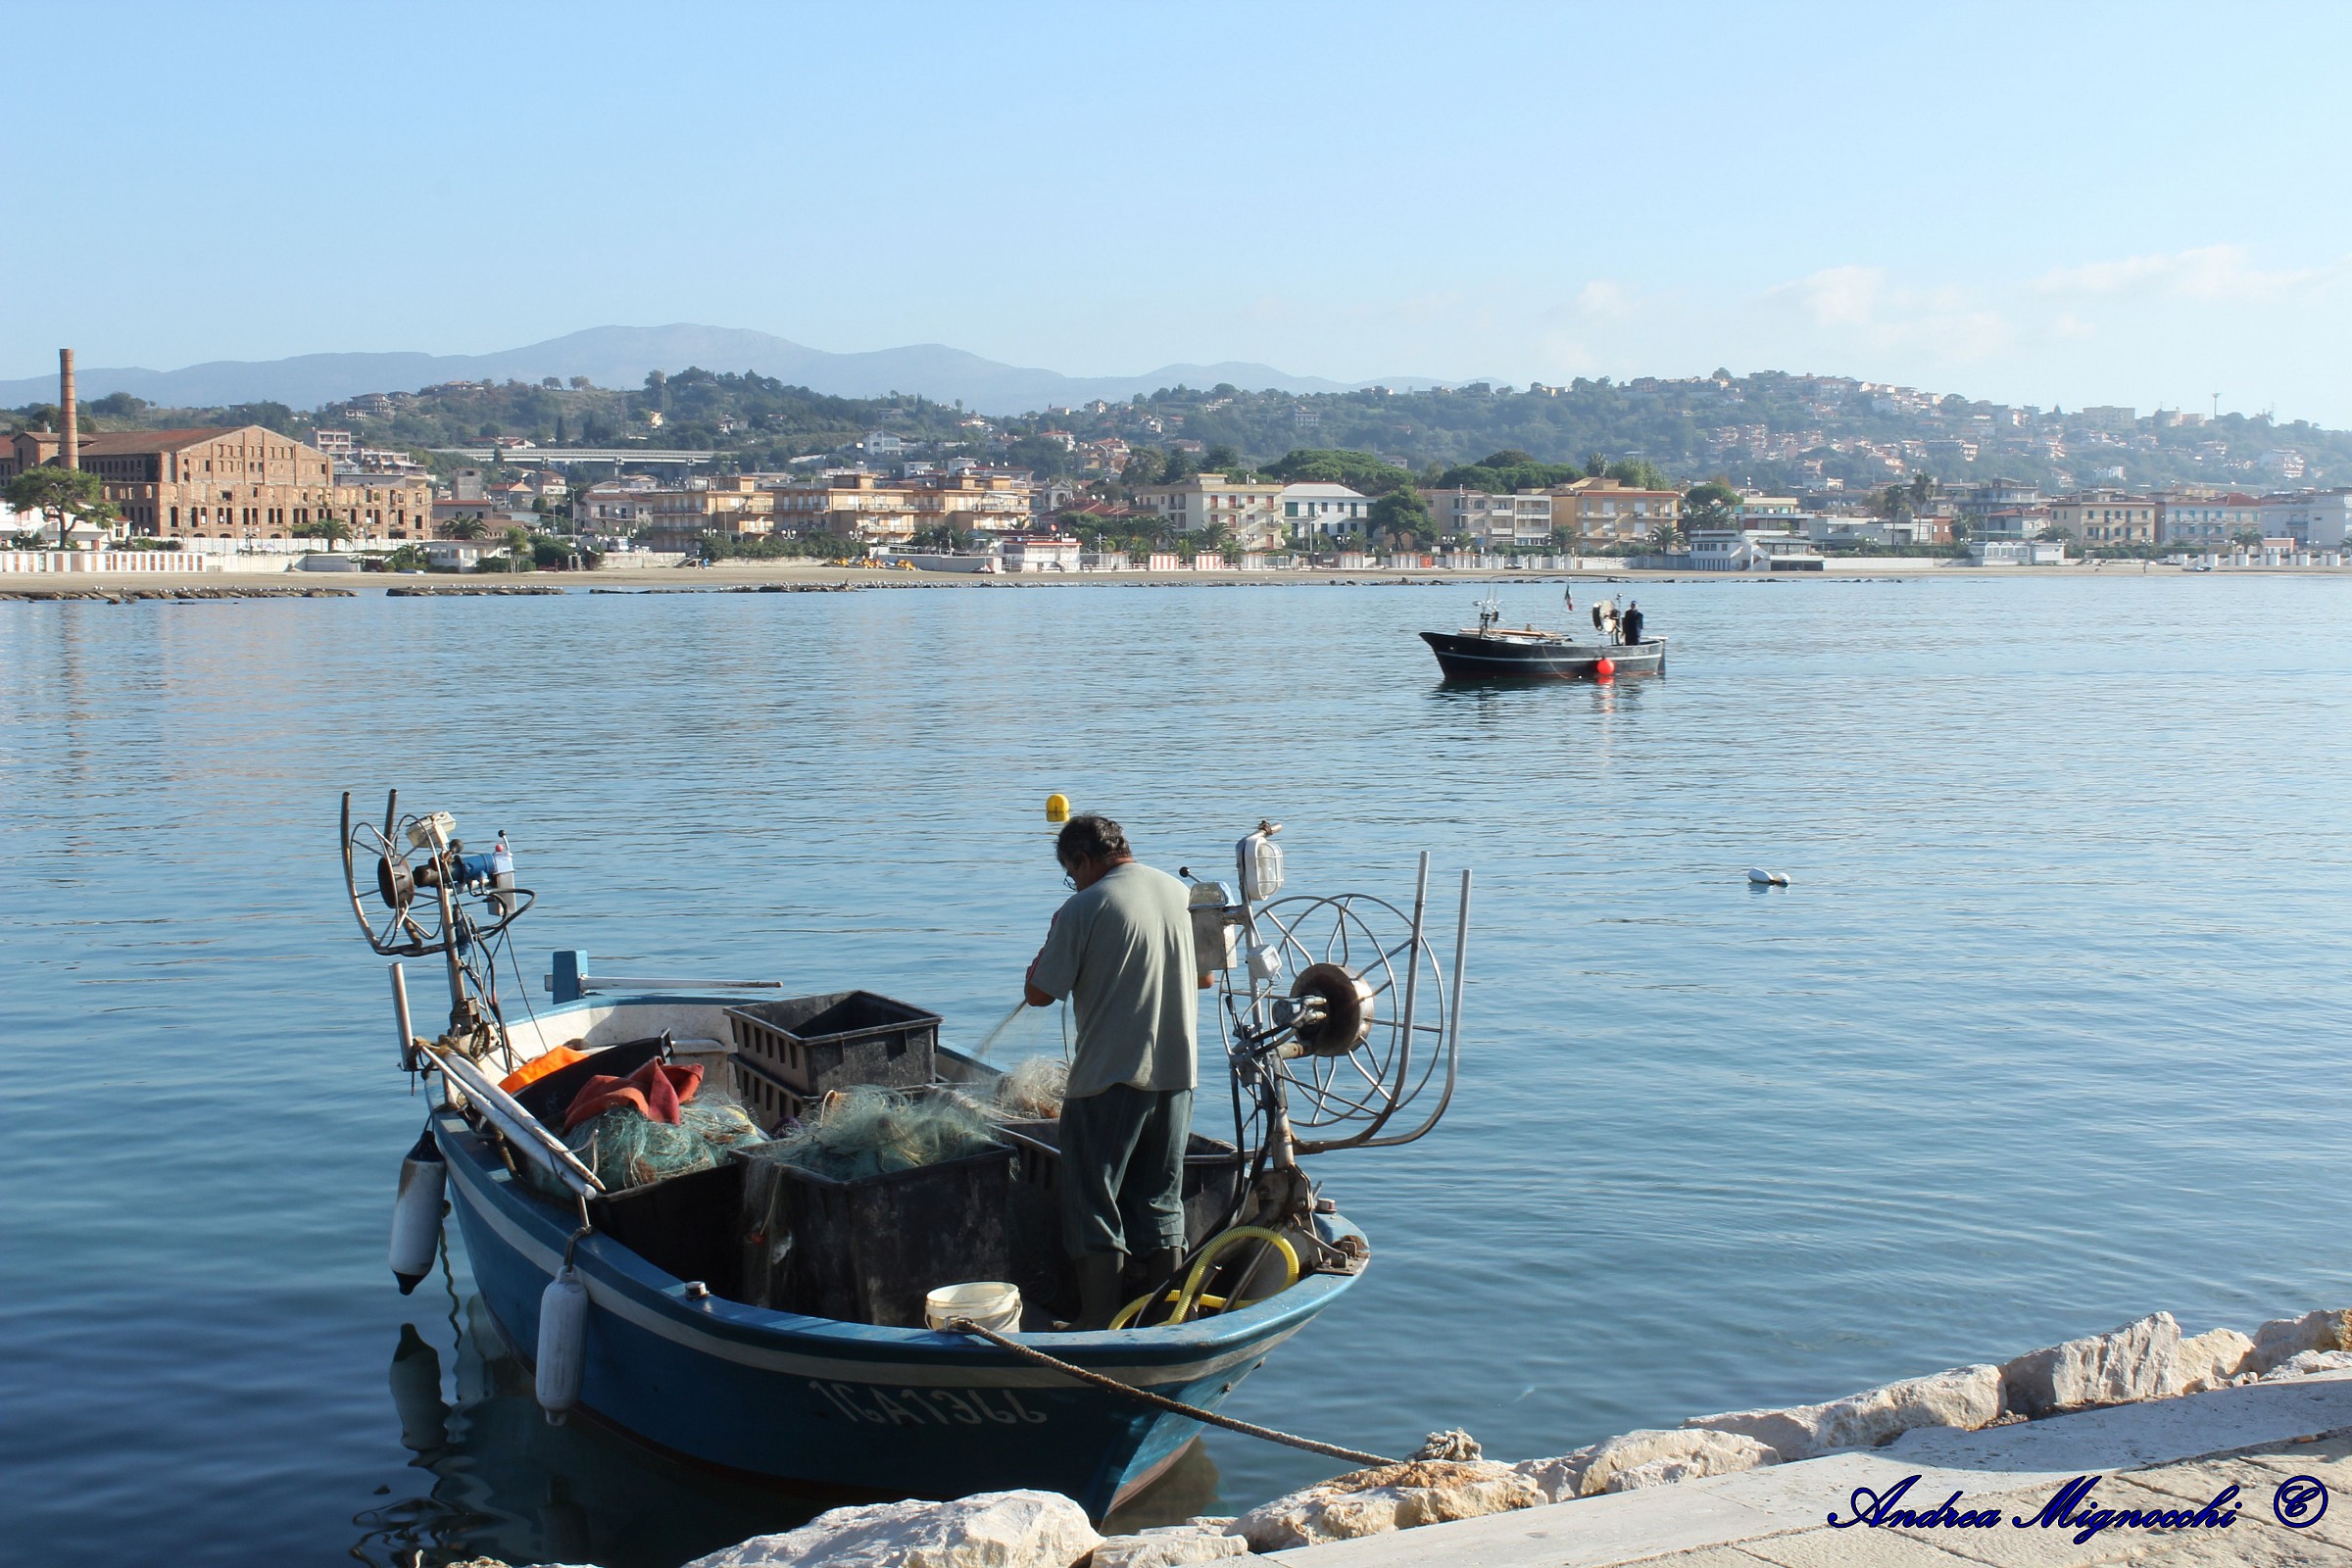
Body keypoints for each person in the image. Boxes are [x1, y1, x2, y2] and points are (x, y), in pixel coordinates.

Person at [1023, 814, 1199, 1329]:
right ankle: (1165, 1318)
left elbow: (1039, 993)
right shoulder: (1180, 892)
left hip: (1108, 1079)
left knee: (1093, 1201)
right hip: (1177, 1072)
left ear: (1083, 860)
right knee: (1161, 1199)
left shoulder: (1084, 905)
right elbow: (1206, 976)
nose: (1073, 881)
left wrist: (1044, 959)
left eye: (1071, 872)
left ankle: (1097, 1324)